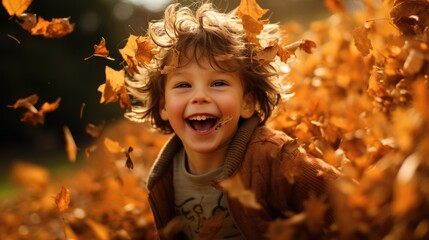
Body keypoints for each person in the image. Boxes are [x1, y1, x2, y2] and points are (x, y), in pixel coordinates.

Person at [125, 1, 341, 239]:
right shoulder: (164, 177)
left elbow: (352, 205)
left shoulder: (275, 159)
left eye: (218, 83)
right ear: (164, 106)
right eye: (183, 85)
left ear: (247, 103)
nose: (199, 97)